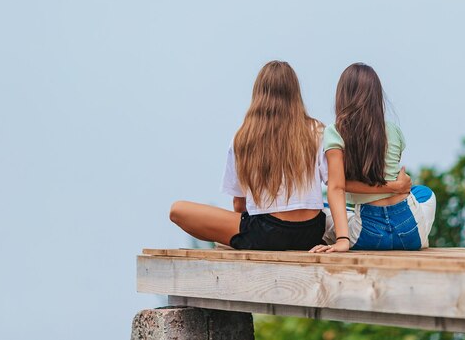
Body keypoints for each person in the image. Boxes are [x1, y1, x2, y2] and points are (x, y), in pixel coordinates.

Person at [169, 60, 327, 250]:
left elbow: (239, 204)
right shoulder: (317, 130)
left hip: (265, 235)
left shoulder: (244, 137)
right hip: (312, 233)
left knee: (177, 209)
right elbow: (334, 184)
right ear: (295, 94)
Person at [311, 63, 436, 253]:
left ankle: (348, 229)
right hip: (409, 231)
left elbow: (337, 186)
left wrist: (343, 240)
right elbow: (389, 175)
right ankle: (421, 233)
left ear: (342, 95)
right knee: (426, 194)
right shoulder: (393, 130)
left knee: (323, 209)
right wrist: (394, 187)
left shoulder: (335, 132)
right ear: (377, 96)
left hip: (368, 234)